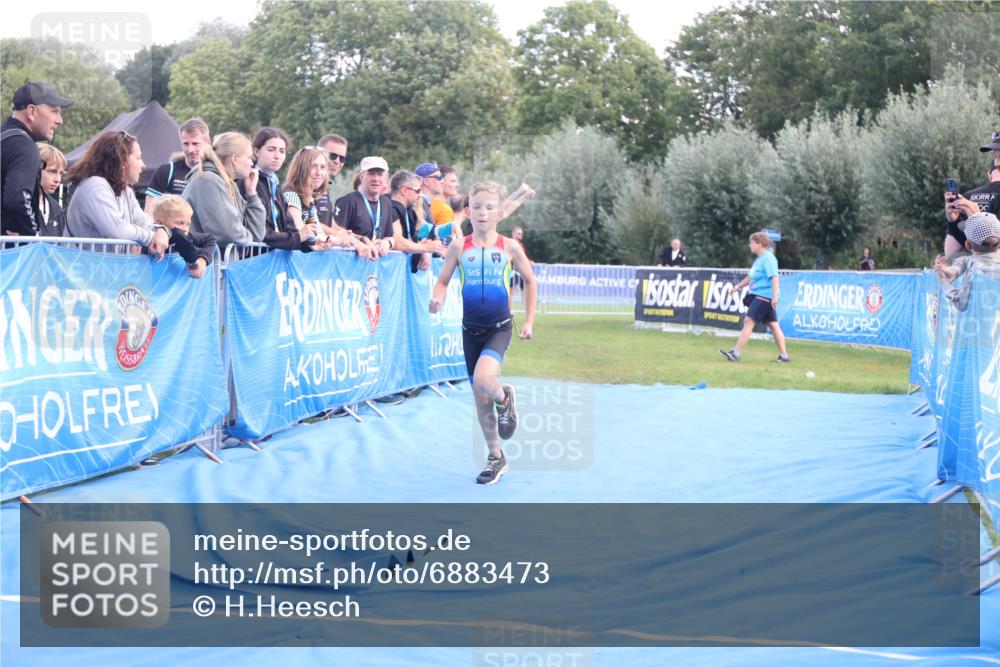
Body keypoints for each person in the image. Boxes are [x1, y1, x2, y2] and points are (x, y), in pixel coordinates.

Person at [429, 181, 537, 485]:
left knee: (483, 379)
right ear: (467, 211)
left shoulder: (509, 247)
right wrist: (437, 298)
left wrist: (529, 321)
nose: (482, 212)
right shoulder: (458, 246)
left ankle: (505, 398)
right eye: (476, 206)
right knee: (480, 399)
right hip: (470, 331)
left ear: (500, 213)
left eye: (489, 207)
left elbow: (530, 281)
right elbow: (443, 281)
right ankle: (495, 457)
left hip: (499, 328)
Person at [65, 130, 169, 256]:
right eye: (138, 158)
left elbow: (144, 222)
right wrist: (152, 237)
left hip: (102, 266)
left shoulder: (125, 191)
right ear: (122, 161)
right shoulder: (95, 186)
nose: (143, 165)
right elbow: (117, 230)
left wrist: (161, 231)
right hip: (82, 266)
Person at [2, 81, 72, 236]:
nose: (59, 120)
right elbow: (19, 199)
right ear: (32, 111)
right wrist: (34, 237)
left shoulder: (5, 137)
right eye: (54, 112)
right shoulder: (24, 146)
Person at [182, 132, 266, 253]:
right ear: (234, 159)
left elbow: (257, 234)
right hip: (201, 263)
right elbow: (230, 234)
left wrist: (252, 194)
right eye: (249, 158)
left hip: (213, 262)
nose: (252, 163)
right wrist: (249, 240)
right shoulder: (208, 181)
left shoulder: (226, 183)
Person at [720, 231, 790, 364]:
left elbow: (774, 277)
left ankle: (735, 353)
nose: (749, 245)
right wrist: (737, 287)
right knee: (773, 325)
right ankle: (784, 356)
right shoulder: (759, 259)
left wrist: (775, 296)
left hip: (765, 296)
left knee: (748, 321)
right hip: (762, 296)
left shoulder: (769, 258)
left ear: (759, 244)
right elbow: (751, 277)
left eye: (751, 242)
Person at [333, 156, 397, 260]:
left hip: (375, 265)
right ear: (362, 176)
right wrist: (360, 242)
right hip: (349, 264)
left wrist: (386, 243)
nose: (376, 179)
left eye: (380, 174)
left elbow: (390, 237)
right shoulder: (347, 202)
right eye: (371, 174)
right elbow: (335, 234)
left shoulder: (386, 203)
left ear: (386, 178)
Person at [934, 212, 1000, 311]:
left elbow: (960, 303)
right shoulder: (974, 264)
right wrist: (953, 271)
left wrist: (944, 282)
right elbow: (967, 260)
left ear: (968, 245)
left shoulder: (974, 272)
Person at [144, 118, 210, 214]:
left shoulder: (218, 173)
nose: (190, 149)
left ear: (208, 142)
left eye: (195, 144)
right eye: (186, 144)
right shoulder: (166, 171)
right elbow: (149, 213)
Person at [944, 153, 1000, 257]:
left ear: (989, 175)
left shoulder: (967, 198)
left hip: (975, 264)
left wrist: (953, 223)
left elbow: (951, 253)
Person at [389, 170, 445, 271]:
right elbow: (398, 242)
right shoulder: (390, 208)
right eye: (418, 190)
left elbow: (412, 240)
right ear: (405, 190)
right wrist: (425, 248)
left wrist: (422, 250)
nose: (420, 195)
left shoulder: (410, 212)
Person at [152, 194, 217, 279]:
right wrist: (193, 261)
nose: (185, 229)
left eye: (188, 224)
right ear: (160, 223)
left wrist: (202, 259)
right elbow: (177, 235)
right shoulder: (152, 236)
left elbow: (210, 239)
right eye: (180, 223)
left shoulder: (188, 235)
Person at [36, 143, 67, 237]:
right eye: (52, 171)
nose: (57, 179)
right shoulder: (15, 204)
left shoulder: (56, 209)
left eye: (60, 173)